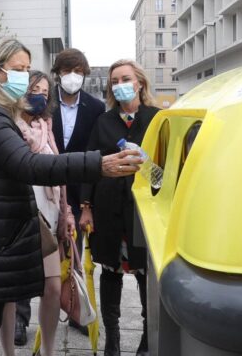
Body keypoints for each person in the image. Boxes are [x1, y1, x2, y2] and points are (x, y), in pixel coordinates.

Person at [0, 35, 142, 356]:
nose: (25, 76)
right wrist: (98, 163)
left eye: (27, 68)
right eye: (18, 69)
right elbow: (28, 164)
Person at [80, 59, 160, 356]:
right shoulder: (104, 121)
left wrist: (147, 160)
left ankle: (147, 337)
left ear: (139, 82)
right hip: (108, 208)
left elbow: (167, 169)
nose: (119, 84)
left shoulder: (157, 118)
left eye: (125, 78)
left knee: (144, 273)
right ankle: (111, 338)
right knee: (111, 270)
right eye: (114, 80)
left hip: (143, 210)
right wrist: (85, 207)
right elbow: (90, 163)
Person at [0, 70, 75, 356]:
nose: (40, 95)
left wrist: (66, 212)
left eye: (45, 91)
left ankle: (49, 350)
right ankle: (8, 351)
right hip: (16, 219)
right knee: (9, 294)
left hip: (48, 218)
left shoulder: (47, 127)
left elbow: (58, 173)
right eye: (34, 89)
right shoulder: (6, 125)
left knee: (53, 288)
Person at [50, 48, 106, 335]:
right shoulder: (44, 102)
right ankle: (22, 317)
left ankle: (74, 310)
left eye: (79, 72)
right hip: (45, 187)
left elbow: (93, 155)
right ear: (58, 73)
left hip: (78, 189)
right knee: (35, 252)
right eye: (68, 70)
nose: (73, 77)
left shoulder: (95, 108)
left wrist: (86, 203)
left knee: (73, 252)